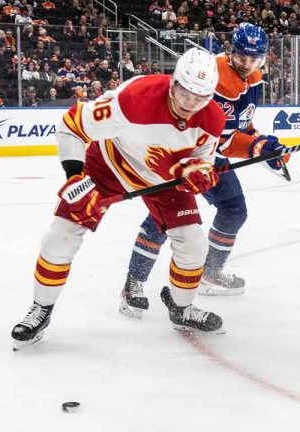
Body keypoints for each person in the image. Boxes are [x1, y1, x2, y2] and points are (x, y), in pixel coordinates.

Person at [10, 48, 226, 350]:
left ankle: (181, 309)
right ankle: (41, 309)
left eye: (200, 98)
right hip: (110, 164)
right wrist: (76, 177)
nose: (190, 104)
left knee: (193, 243)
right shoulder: (134, 98)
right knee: (60, 235)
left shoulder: (213, 117)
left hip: (165, 178)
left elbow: (201, 158)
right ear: (173, 82)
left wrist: (199, 171)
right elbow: (71, 126)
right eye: (185, 93)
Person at [118, 23, 290, 317]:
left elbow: (240, 126)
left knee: (234, 208)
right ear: (231, 52)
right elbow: (222, 139)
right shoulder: (219, 79)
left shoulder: (254, 79)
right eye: (242, 58)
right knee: (165, 219)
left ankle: (210, 271)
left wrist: (263, 144)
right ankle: (133, 283)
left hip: (210, 154)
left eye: (255, 60)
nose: (247, 65)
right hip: (180, 152)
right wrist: (258, 148)